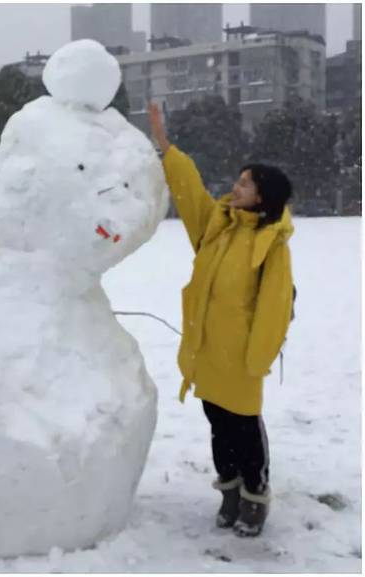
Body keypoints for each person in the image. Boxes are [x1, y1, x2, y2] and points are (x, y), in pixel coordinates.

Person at [148, 102, 295, 537]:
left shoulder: (271, 243)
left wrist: (258, 358)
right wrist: (165, 144)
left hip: (242, 355)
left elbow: (275, 305)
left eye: (245, 183)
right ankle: (229, 490)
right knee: (218, 425)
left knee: (245, 428)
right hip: (207, 348)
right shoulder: (218, 225)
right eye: (239, 179)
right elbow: (190, 193)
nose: (236, 186)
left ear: (262, 196)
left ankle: (254, 496)